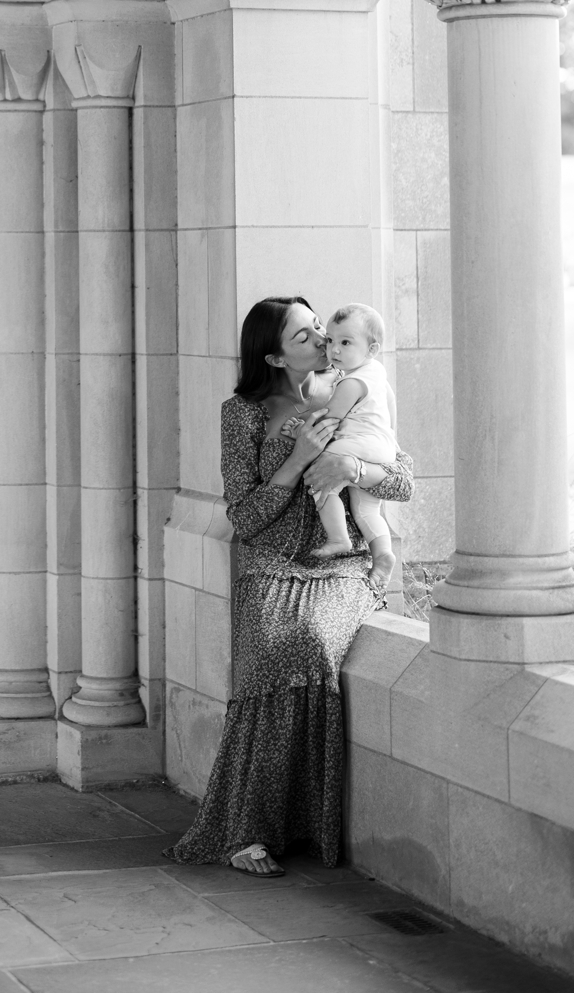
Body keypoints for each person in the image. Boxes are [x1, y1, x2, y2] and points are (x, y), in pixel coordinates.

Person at [165, 294, 413, 878]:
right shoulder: (242, 413)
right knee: (272, 652)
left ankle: (303, 820)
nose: (323, 341)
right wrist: (298, 458)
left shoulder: (352, 390)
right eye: (305, 337)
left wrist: (354, 469)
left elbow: (401, 480)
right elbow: (243, 515)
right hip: (272, 565)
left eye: (321, 330)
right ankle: (249, 826)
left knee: (312, 641)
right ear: (275, 357)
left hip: (342, 562)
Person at [306, 303, 398, 590]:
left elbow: (329, 420)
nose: (333, 349)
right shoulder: (377, 373)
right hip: (382, 448)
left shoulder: (351, 383)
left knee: (321, 482)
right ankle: (383, 554)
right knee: (368, 509)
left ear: (371, 349)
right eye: (331, 340)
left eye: (345, 342)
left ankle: (338, 537)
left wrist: (300, 427)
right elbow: (390, 417)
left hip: (357, 446)